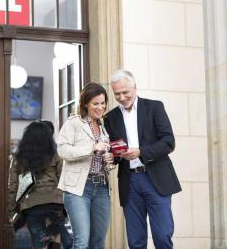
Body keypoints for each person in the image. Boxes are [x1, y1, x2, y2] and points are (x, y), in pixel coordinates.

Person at [104, 70, 181, 249]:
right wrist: (111, 156)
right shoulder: (110, 117)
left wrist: (141, 152)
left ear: (135, 88)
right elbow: (114, 150)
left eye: (125, 92)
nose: (122, 97)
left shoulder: (154, 107)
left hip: (156, 179)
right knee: (135, 240)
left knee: (162, 235)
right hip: (129, 182)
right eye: (117, 94)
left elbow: (169, 142)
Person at [57, 82, 114, 249]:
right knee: (81, 242)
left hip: (102, 187)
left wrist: (108, 159)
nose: (100, 107)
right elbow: (62, 150)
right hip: (78, 189)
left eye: (103, 103)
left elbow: (101, 156)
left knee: (98, 242)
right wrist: (92, 148)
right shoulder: (74, 123)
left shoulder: (103, 127)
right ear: (85, 104)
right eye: (96, 103)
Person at [8, 120, 72, 249]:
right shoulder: (56, 155)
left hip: (32, 206)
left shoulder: (18, 157)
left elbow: (12, 186)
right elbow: (64, 180)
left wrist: (10, 212)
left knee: (39, 243)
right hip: (55, 204)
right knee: (55, 242)